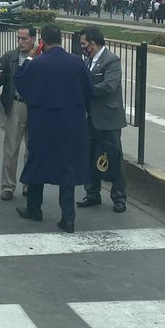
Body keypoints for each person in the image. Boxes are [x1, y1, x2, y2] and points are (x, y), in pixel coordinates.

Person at [13, 25, 91, 233]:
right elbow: (88, 89)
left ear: (42, 42)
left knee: (38, 163)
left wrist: (30, 57)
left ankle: (34, 208)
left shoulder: (37, 63)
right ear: (61, 40)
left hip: (44, 124)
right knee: (68, 168)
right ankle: (68, 218)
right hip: (71, 124)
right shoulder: (76, 62)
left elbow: (20, 81)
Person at [77, 26, 128, 213]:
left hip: (108, 118)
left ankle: (119, 197)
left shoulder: (111, 60)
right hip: (89, 117)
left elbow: (109, 86)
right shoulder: (87, 60)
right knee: (89, 155)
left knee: (114, 157)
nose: (82, 47)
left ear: (93, 43)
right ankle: (92, 193)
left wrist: (84, 90)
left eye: (84, 44)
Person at [0, 25, 39, 201]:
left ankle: (29, 183)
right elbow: (2, 75)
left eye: (24, 38)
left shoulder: (40, 57)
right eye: (18, 38)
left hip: (36, 107)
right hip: (16, 104)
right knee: (11, 148)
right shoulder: (11, 56)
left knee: (32, 149)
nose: (20, 42)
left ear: (33, 38)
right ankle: (8, 186)